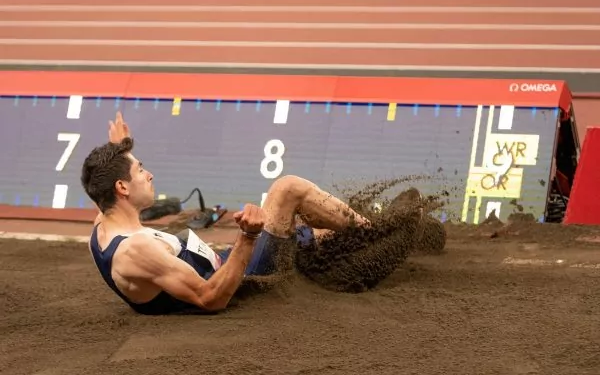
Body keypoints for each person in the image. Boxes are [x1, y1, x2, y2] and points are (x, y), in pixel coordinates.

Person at [82, 112, 424, 315]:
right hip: (247, 279)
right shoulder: (136, 251)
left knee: (324, 239)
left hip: (227, 260)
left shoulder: (104, 226)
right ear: (122, 188)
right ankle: (380, 233)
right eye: (140, 170)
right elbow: (210, 298)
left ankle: (372, 233)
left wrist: (121, 150)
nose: (149, 174)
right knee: (286, 189)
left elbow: (102, 187)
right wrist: (248, 237)